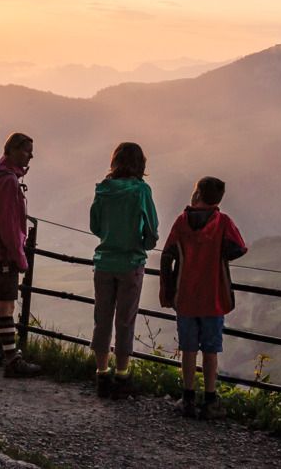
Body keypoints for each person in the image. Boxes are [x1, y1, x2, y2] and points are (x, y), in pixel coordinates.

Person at [159, 175, 247, 418]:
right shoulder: (223, 222)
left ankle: (187, 398)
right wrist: (219, 255)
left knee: (188, 349)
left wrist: (168, 289)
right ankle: (210, 400)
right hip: (213, 297)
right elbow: (239, 247)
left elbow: (167, 255)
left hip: (186, 296)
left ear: (197, 194)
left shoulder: (181, 222)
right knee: (210, 351)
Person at [86, 141, 158, 398]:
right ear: (140, 164)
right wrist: (143, 243)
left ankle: (101, 374)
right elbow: (152, 231)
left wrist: (110, 235)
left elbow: (95, 225)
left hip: (104, 262)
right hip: (130, 263)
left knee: (102, 319)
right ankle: (122, 375)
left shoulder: (103, 189)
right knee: (125, 321)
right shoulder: (141, 191)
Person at [0, 132, 43, 378]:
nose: (30, 156)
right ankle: (12, 359)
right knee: (6, 306)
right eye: (26, 151)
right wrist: (19, 256)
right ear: (12, 150)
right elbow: (10, 224)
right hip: (4, 253)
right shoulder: (9, 181)